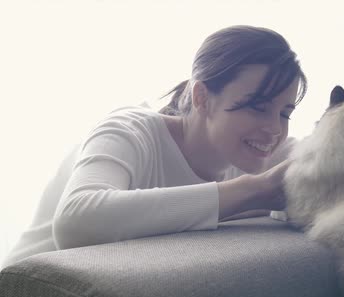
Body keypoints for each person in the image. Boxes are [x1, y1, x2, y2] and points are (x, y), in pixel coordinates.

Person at [2, 25, 307, 268]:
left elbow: (331, 157)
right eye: (256, 107)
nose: (275, 129)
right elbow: (75, 222)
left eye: (285, 113)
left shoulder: (254, 151)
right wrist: (249, 191)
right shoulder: (129, 130)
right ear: (201, 97)